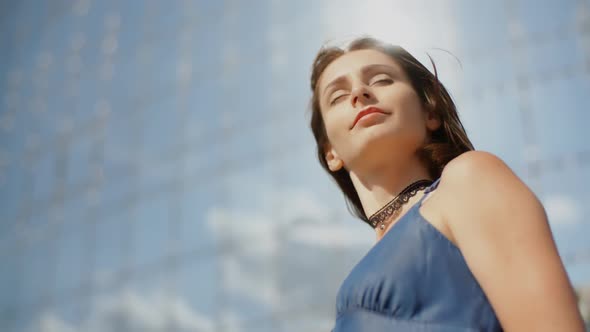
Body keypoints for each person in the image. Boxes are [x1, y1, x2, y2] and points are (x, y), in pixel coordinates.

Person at [308, 36, 585, 331]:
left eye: (381, 79)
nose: (359, 92)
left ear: (431, 113)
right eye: (337, 96)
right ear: (330, 153)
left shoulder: (470, 178)